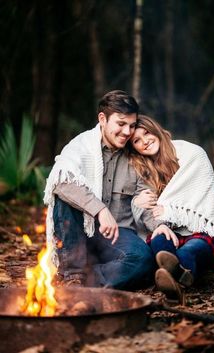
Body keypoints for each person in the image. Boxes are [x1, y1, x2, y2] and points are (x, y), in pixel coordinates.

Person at [43, 91, 162, 290]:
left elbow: (146, 201)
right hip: (79, 234)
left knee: (143, 261)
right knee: (65, 195)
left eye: (132, 126)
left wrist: (159, 226)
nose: (127, 132)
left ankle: (86, 279)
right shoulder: (81, 146)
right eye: (121, 124)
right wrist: (99, 210)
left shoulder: (136, 157)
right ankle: (73, 274)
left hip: (117, 235)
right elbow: (59, 181)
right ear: (102, 119)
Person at [127, 115, 214, 304]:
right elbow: (144, 211)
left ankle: (172, 274)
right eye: (137, 140)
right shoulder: (142, 169)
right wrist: (138, 202)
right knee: (160, 240)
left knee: (193, 249)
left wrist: (167, 208)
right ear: (133, 147)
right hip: (171, 230)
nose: (145, 141)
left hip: (202, 231)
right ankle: (180, 278)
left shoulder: (191, 154)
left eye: (147, 133)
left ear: (156, 130)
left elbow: (202, 199)